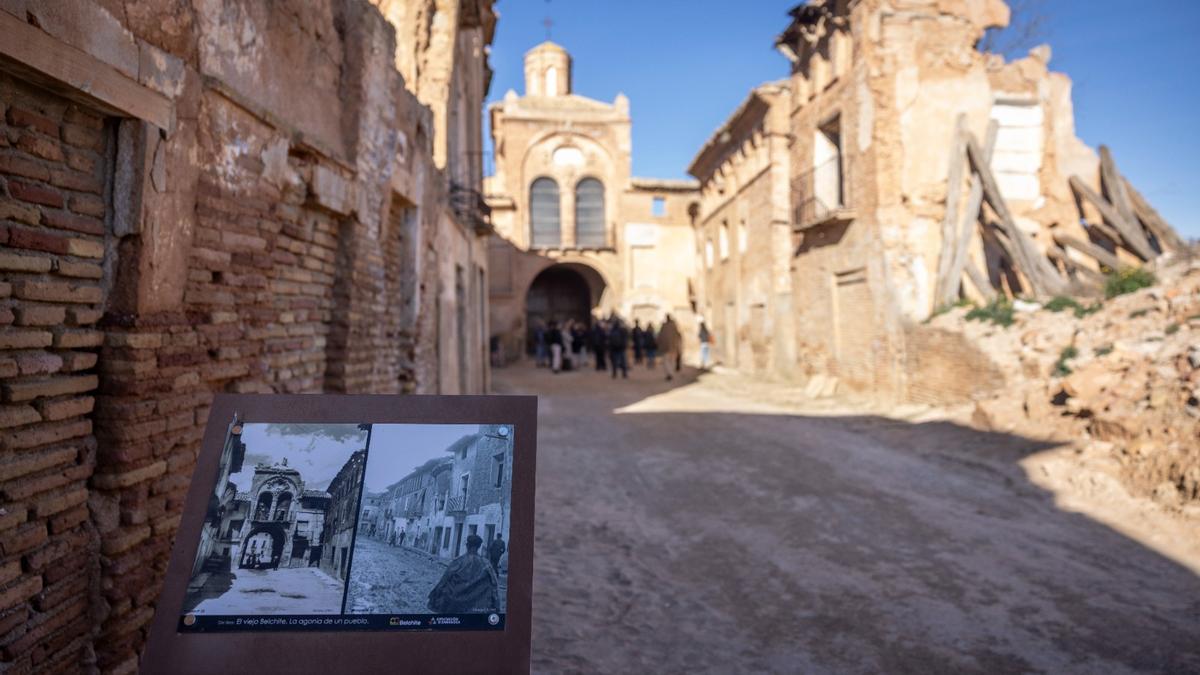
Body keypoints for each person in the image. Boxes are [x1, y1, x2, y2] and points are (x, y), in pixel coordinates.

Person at [427, 534, 499, 614]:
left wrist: (435, 593)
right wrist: (496, 604)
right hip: (478, 606)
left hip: (456, 605)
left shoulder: (458, 561)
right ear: (479, 546)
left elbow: (444, 579)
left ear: (467, 545)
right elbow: (494, 584)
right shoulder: (486, 564)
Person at [657, 315, 682, 381]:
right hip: (672, 348)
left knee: (666, 361)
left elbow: (660, 337)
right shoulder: (674, 327)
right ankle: (670, 373)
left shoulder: (665, 327)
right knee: (670, 361)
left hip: (667, 348)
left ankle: (669, 373)